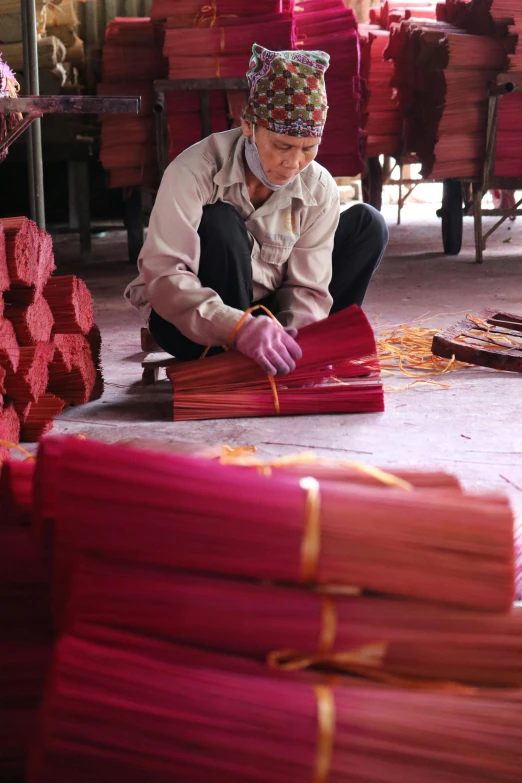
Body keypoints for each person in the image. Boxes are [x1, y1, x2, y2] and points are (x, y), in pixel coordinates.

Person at [125, 44, 388, 376]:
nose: (293, 163)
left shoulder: (318, 186)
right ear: (249, 125)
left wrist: (296, 341)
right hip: (197, 325)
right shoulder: (193, 171)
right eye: (282, 146)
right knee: (218, 220)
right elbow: (164, 277)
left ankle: (297, 353)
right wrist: (238, 327)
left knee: (368, 223)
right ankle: (231, 356)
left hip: (269, 320)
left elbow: (307, 289)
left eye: (308, 148)